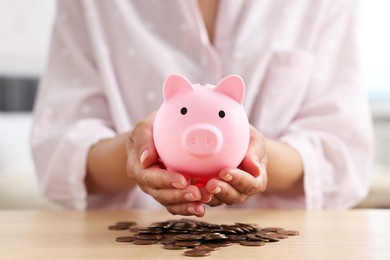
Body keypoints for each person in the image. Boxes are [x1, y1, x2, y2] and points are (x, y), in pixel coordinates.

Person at [31, 0, 374, 216]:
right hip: (127, 239)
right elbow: (59, 153)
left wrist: (256, 156)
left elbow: (343, 154)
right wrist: (138, 152)